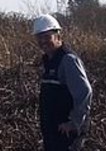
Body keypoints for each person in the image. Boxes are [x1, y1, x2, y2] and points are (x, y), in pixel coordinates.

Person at [32, 14, 92, 151]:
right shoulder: (48, 60)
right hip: (54, 131)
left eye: (47, 37)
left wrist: (74, 122)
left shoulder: (68, 60)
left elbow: (84, 92)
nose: (43, 41)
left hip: (67, 132)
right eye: (39, 37)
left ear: (58, 36)